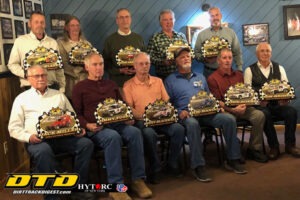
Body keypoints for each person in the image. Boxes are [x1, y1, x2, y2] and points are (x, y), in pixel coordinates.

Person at [72, 52, 152, 200]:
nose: (98, 68)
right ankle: (116, 187)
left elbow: (123, 106)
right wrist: (87, 125)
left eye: (101, 64)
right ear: (87, 67)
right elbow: (76, 113)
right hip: (96, 128)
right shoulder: (79, 87)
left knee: (134, 132)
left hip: (117, 123)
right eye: (95, 65)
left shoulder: (111, 84)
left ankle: (138, 180)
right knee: (112, 137)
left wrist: (128, 117)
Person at [8, 65, 94, 200]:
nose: (41, 78)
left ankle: (78, 188)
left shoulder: (59, 95)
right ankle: (52, 195)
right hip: (37, 141)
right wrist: (28, 137)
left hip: (62, 138)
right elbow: (13, 128)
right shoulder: (21, 99)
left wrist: (77, 129)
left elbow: (72, 117)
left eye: (43, 75)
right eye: (37, 76)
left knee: (85, 143)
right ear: (28, 79)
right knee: (43, 151)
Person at [164, 47, 247, 179]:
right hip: (187, 115)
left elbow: (209, 96)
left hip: (206, 113)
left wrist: (216, 106)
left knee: (229, 119)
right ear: (176, 62)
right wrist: (179, 112)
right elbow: (167, 104)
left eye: (187, 56)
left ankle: (233, 159)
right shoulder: (170, 80)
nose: (186, 58)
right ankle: (198, 166)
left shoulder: (201, 77)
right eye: (182, 57)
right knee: (192, 124)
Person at [123, 52, 185, 184]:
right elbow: (130, 109)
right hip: (142, 121)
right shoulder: (128, 85)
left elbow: (167, 102)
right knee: (149, 133)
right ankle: (155, 168)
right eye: (141, 64)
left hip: (162, 118)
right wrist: (146, 116)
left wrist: (165, 112)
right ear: (134, 66)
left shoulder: (158, 81)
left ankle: (172, 163)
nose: (144, 66)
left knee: (178, 129)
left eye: (147, 63)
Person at [207, 48, 268, 163]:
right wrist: (233, 110)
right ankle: (235, 151)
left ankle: (254, 149)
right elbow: (217, 101)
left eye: (230, 58)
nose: (227, 60)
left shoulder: (239, 75)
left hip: (243, 107)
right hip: (226, 110)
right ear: (218, 60)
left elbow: (246, 93)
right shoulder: (212, 78)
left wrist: (245, 105)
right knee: (228, 119)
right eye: (224, 58)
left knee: (259, 115)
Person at [244, 42, 300, 159]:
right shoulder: (249, 70)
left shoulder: (279, 68)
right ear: (256, 54)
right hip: (261, 106)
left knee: (292, 112)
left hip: (277, 105)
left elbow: (286, 87)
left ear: (271, 53)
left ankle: (290, 145)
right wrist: (258, 102)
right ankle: (274, 147)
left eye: (267, 51)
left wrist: (285, 99)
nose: (265, 53)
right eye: (262, 51)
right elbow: (247, 93)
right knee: (265, 114)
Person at [8, 11, 65, 92]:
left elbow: (59, 68)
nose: (39, 25)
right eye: (36, 22)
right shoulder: (20, 41)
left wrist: (62, 87)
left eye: (42, 22)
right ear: (29, 24)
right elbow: (12, 64)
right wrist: (25, 73)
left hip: (52, 87)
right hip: (30, 89)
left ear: (45, 24)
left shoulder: (53, 42)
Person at [102, 8, 146, 88]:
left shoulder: (139, 39)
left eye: (127, 17)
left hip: (138, 83)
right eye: (121, 17)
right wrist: (119, 71)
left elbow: (146, 60)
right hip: (118, 84)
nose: (124, 20)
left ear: (130, 19)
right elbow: (105, 63)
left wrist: (139, 69)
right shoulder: (110, 40)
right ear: (117, 21)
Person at [194, 7, 243, 78]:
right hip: (209, 72)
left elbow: (237, 51)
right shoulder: (201, 34)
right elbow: (196, 53)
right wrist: (204, 59)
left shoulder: (230, 32)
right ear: (209, 18)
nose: (215, 18)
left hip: (227, 70)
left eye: (217, 15)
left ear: (221, 16)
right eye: (212, 16)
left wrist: (240, 68)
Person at [57, 15, 93, 98]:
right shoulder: (60, 43)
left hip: (87, 82)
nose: (75, 28)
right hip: (70, 84)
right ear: (66, 28)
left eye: (77, 25)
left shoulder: (87, 44)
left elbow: (93, 61)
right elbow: (63, 64)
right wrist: (81, 70)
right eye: (72, 25)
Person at [147, 9, 188, 80]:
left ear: (174, 21)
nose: (168, 22)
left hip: (182, 75)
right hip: (164, 77)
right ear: (160, 22)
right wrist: (163, 62)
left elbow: (188, 53)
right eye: (165, 20)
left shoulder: (182, 36)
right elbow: (149, 58)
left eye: (171, 19)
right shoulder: (155, 38)